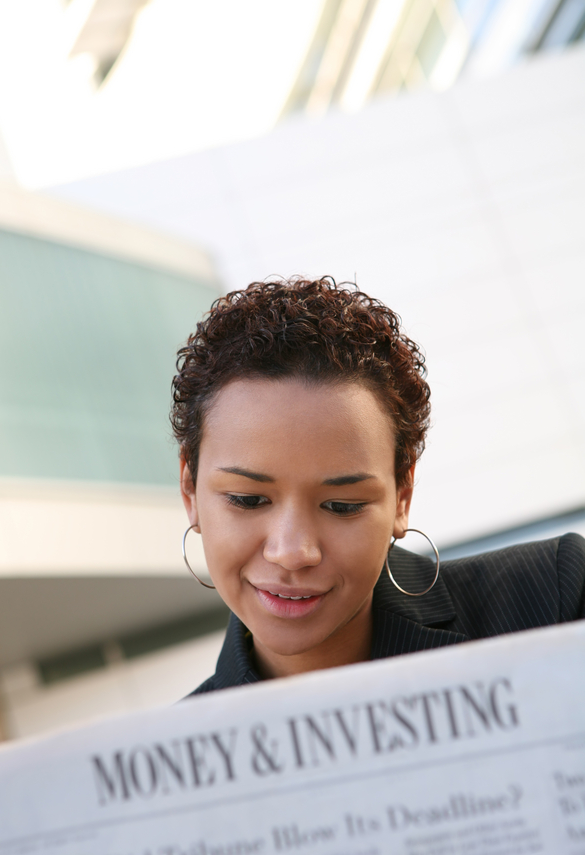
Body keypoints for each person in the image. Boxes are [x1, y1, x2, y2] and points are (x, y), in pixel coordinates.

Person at [171, 277, 585, 695]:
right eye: (248, 499)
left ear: (402, 496)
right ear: (190, 490)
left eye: (342, 505)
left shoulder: (557, 598)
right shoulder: (174, 754)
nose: (293, 553)